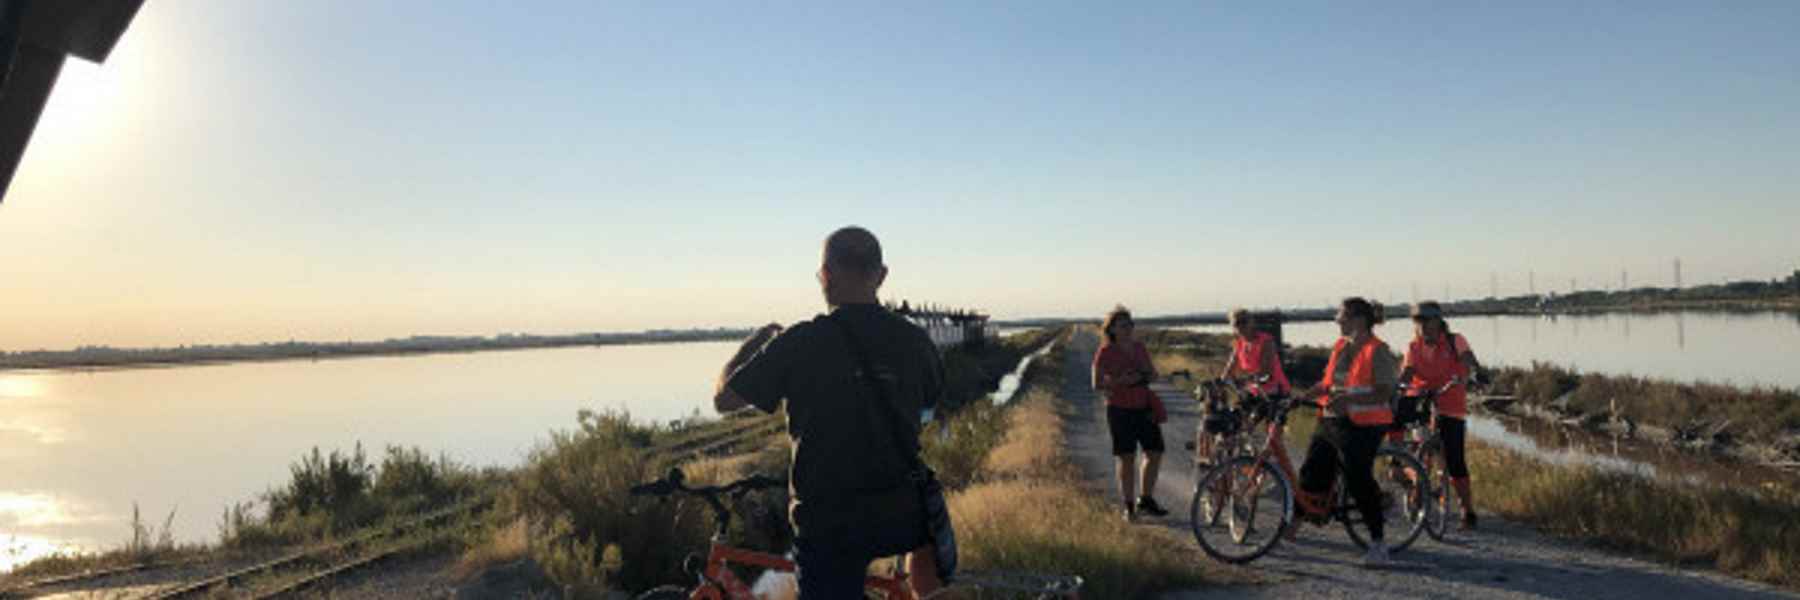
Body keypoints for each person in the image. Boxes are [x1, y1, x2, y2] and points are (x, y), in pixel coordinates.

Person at [714, 226, 945, 598]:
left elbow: (725, 399)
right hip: (901, 512)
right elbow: (928, 411)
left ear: (825, 275)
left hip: (829, 523)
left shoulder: (801, 341)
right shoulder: (916, 342)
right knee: (922, 566)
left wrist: (754, 343)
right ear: (882, 275)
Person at [1294, 297, 1399, 566]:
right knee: (1311, 471)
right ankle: (1294, 524)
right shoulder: (1340, 346)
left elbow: (1385, 391)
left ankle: (1378, 544)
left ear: (1358, 320)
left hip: (1366, 424)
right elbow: (1329, 383)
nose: (1337, 321)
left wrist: (1350, 400)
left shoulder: (1378, 350)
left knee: (1357, 478)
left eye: (1341, 316)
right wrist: (1302, 396)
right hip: (1332, 418)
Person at [1398, 301, 1484, 530]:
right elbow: (1406, 373)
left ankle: (1467, 510)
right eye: (1418, 321)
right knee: (1418, 452)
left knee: (1455, 460)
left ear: (1438, 320)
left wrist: (1472, 374)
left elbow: (1469, 361)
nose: (1422, 325)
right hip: (1423, 403)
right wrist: (1399, 386)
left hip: (1451, 404)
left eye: (1426, 320)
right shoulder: (1413, 347)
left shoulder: (1455, 341)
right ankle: (1413, 485)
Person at [1091, 305, 1169, 521]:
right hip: (1119, 409)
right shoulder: (1105, 352)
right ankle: (1129, 506)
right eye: (1123, 325)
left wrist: (1145, 375)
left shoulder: (1140, 348)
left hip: (1144, 407)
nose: (1128, 329)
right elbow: (1096, 384)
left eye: (1130, 325)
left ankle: (1146, 499)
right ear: (1112, 329)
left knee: (1154, 452)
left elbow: (1153, 374)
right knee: (1126, 458)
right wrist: (1120, 381)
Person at [1215, 308, 1298, 487]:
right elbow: (1228, 371)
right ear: (1233, 327)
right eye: (1237, 324)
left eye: (1245, 321)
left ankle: (1272, 473)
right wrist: (1221, 383)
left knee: (1274, 439)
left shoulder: (1266, 341)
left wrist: (1244, 380)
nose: (1242, 327)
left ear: (1252, 321)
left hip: (1276, 391)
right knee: (1237, 426)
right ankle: (1247, 461)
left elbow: (1266, 371)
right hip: (1254, 392)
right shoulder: (1239, 344)